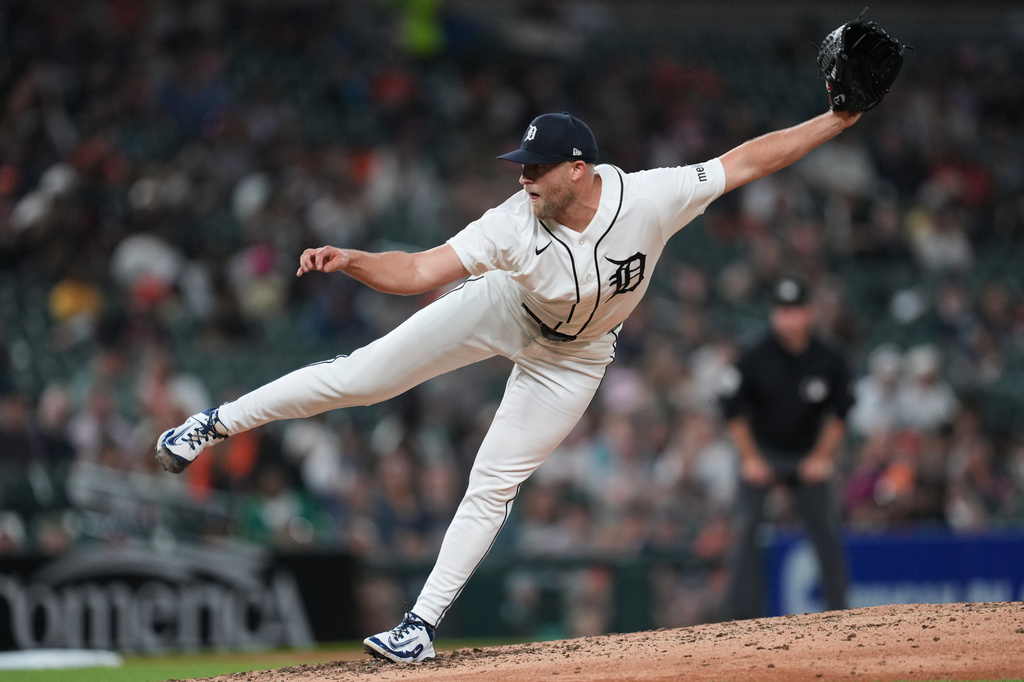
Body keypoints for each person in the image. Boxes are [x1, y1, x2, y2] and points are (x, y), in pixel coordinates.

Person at [156, 109, 861, 662]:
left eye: (537, 168)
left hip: (577, 358)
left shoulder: (649, 197)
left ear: (578, 170)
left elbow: (748, 161)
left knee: (494, 480)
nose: (523, 178)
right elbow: (418, 272)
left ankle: (419, 626)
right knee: (361, 379)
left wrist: (835, 121)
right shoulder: (512, 222)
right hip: (504, 308)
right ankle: (211, 424)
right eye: (521, 166)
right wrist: (355, 260)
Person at [718, 275, 854, 620]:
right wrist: (750, 458)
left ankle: (840, 615)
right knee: (746, 531)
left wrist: (822, 458)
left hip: (807, 455)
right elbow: (732, 411)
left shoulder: (830, 358)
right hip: (763, 452)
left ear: (809, 313)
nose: (787, 318)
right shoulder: (754, 356)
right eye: (781, 310)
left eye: (794, 310)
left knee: (826, 531)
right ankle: (737, 619)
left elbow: (841, 413)